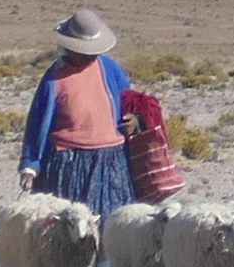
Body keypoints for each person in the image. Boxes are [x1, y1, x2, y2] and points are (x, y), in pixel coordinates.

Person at [19, 13, 149, 213]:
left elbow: (131, 103)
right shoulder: (54, 79)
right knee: (70, 230)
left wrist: (136, 120)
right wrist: (30, 166)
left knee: (112, 228)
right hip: (69, 164)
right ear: (71, 48)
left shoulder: (110, 68)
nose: (90, 55)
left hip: (112, 162)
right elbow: (37, 124)